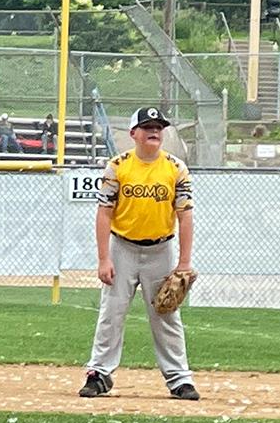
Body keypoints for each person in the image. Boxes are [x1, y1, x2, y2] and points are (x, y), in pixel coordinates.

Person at [78, 106, 197, 401]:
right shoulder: (118, 166)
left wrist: (183, 262)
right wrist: (104, 259)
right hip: (123, 248)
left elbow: (185, 215)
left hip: (161, 249)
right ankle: (99, 373)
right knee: (112, 311)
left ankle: (179, 379)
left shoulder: (175, 168)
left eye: (158, 127)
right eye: (147, 127)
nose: (154, 132)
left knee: (166, 313)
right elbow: (104, 213)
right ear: (134, 133)